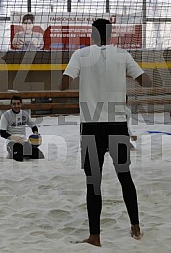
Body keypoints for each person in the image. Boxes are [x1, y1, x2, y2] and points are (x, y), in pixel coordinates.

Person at [59, 18, 152, 247]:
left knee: (93, 182)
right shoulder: (123, 55)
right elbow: (146, 82)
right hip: (117, 126)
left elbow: (63, 84)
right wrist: (127, 74)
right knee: (125, 177)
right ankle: (136, 228)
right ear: (111, 35)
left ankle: (95, 237)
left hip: (91, 126)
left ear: (92, 34)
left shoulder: (80, 55)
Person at [0, 95, 44, 161]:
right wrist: (14, 138)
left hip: (24, 141)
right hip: (11, 142)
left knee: (39, 156)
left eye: (18, 103)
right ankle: (11, 153)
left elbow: (34, 127)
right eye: (14, 104)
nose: (16, 106)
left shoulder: (25, 114)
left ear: (21, 104)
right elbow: (2, 133)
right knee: (19, 159)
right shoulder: (6, 116)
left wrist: (36, 134)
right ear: (11, 105)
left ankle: (22, 152)